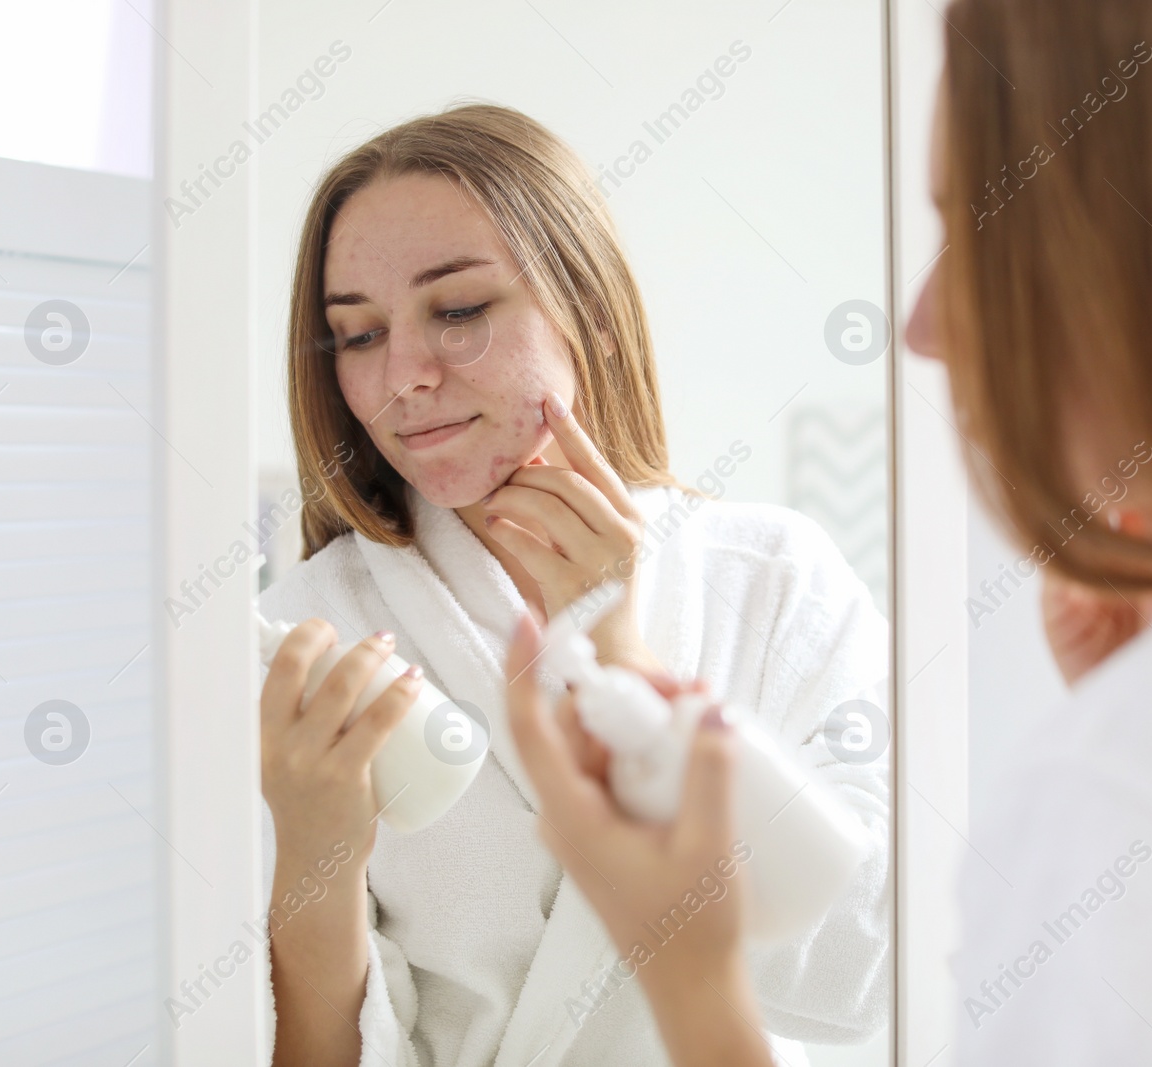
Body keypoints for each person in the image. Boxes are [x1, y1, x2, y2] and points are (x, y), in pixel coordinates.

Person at [503, 0, 1152, 1062]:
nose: (921, 323)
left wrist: (685, 973)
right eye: (352, 330)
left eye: (975, 223)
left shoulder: (1128, 781)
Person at [255, 103, 890, 1067]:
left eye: (459, 311)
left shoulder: (773, 580)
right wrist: (317, 855)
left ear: (584, 307)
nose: (404, 374)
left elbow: (864, 975)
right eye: (357, 333)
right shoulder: (309, 630)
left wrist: (626, 673)